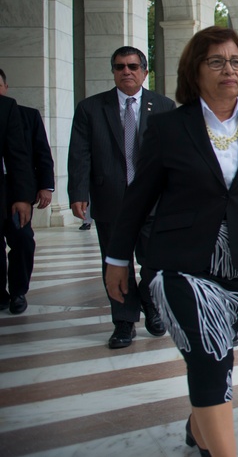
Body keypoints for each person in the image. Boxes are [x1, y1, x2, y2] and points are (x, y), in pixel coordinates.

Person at [105, 26, 238, 457]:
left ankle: (200, 426)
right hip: (180, 263)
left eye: (235, 61)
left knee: (220, 351)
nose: (229, 69)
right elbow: (138, 198)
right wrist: (117, 259)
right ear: (194, 72)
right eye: (215, 61)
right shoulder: (168, 128)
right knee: (209, 353)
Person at [67, 47, 175, 348]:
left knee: (155, 263)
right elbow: (80, 153)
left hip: (153, 202)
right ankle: (124, 323)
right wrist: (78, 192)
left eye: (132, 66)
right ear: (113, 71)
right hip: (111, 198)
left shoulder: (164, 106)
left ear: (144, 71)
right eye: (119, 67)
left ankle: (152, 306)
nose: (125, 72)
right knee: (116, 264)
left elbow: (176, 156)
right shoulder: (91, 108)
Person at [0, 69, 55, 314]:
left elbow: (24, 156)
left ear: (6, 86)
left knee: (22, 241)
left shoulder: (15, 111)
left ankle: (18, 291)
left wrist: (29, 194)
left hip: (13, 191)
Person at [0, 90, 34, 314]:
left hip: (8, 193)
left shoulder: (7, 107)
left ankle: (18, 291)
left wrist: (23, 198)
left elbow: (18, 154)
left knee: (22, 241)